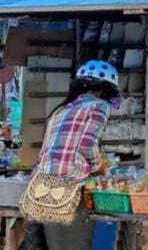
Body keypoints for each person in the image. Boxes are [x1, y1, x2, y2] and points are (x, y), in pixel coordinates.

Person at [21, 60, 120, 250]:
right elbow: (87, 145)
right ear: (106, 90)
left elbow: (45, 153)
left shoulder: (61, 109)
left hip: (39, 188)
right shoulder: (99, 106)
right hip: (68, 188)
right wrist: (99, 166)